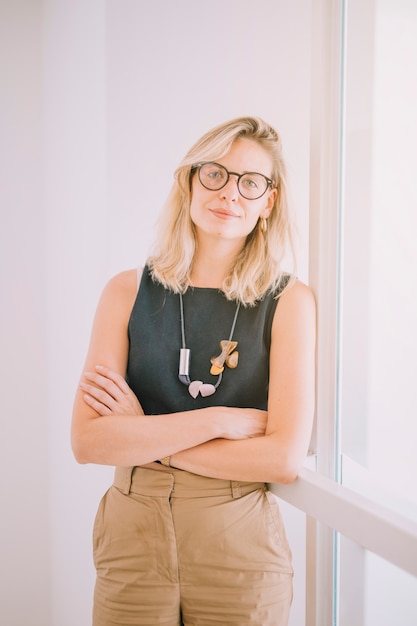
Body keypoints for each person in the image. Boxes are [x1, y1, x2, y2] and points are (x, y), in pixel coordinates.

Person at [71, 116, 316, 626]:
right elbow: (89, 443)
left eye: (251, 183)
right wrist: (218, 420)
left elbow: (282, 459)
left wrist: (141, 434)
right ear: (189, 182)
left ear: (268, 202)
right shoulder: (126, 292)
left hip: (239, 539)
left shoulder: (290, 302)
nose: (230, 193)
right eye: (215, 174)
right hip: (132, 536)